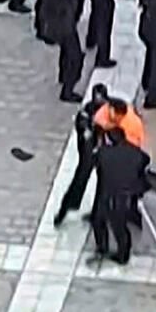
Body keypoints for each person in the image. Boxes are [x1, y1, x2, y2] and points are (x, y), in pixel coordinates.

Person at [88, 122, 152, 266]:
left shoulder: (102, 153)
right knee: (120, 225)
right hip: (127, 193)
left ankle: (102, 247)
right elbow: (146, 160)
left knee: (98, 220)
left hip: (108, 193)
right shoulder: (136, 152)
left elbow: (93, 163)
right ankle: (123, 254)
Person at [52, 85, 110, 226]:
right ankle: (65, 209)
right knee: (80, 179)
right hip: (89, 152)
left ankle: (98, 213)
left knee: (104, 185)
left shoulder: (109, 110)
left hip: (104, 151)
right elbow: (83, 127)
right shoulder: (87, 111)